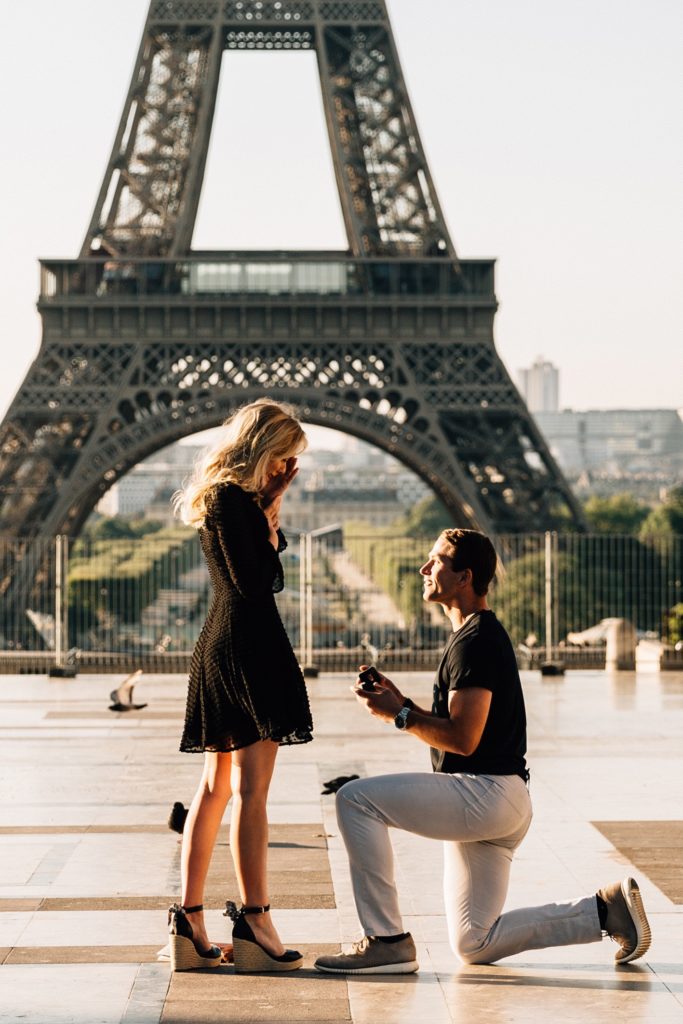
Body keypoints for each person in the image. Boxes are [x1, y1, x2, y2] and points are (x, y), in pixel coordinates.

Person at [314, 528, 651, 974]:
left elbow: (463, 739)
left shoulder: (476, 641)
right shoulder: (473, 636)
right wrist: (404, 704)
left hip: (484, 794)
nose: (423, 568)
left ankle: (386, 940)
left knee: (355, 800)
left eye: (436, 561)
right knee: (474, 941)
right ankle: (604, 912)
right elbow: (460, 727)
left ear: (464, 577)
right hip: (500, 800)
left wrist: (399, 716)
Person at [168, 399, 313, 973]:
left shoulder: (226, 500)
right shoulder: (235, 502)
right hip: (247, 649)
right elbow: (254, 582)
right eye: (283, 458)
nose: (286, 470)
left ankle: (190, 919)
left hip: (225, 643)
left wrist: (269, 511)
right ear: (263, 451)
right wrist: (273, 512)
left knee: (215, 789)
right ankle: (255, 920)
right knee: (252, 792)